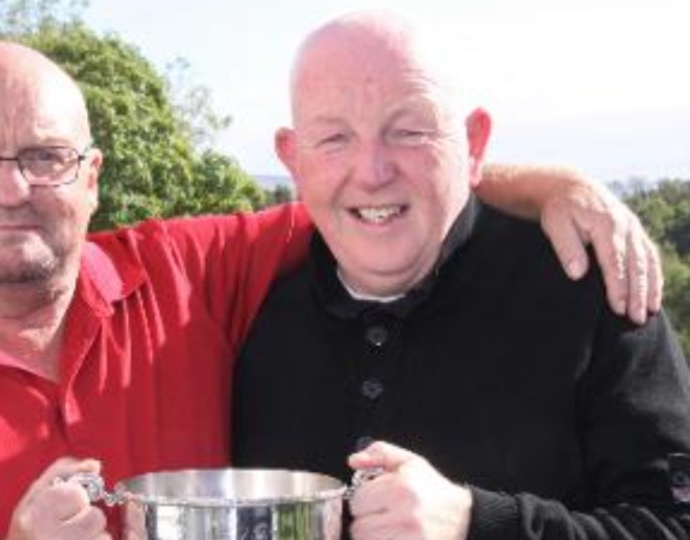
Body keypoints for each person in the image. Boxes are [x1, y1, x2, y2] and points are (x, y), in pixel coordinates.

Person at [0, 41, 660, 540]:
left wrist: (555, 186)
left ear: (92, 178)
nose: (13, 189)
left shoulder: (184, 277)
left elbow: (373, 188)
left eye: (47, 157)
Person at [230, 10, 690, 539]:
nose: (373, 171)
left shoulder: (594, 292)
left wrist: (477, 522)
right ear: (291, 158)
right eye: (334, 138)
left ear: (473, 143)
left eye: (408, 131)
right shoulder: (243, 314)